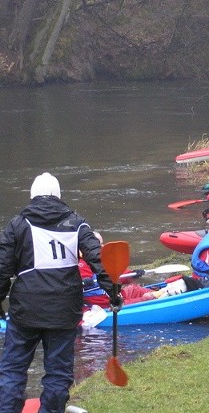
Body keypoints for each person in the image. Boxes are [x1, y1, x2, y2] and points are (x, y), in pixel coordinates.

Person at [0, 173, 117, 413]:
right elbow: (99, 258)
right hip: (64, 311)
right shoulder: (78, 223)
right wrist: (113, 292)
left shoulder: (17, 224)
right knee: (58, 372)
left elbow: (2, 268)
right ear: (59, 196)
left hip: (25, 312)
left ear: (32, 195)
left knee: (13, 369)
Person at [79, 232, 157, 308]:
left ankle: (164, 293)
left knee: (135, 289)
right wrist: (81, 283)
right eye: (99, 244)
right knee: (148, 298)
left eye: (102, 243)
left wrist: (134, 274)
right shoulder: (78, 265)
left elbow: (120, 276)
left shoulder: (104, 259)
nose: (103, 246)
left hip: (118, 297)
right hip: (108, 305)